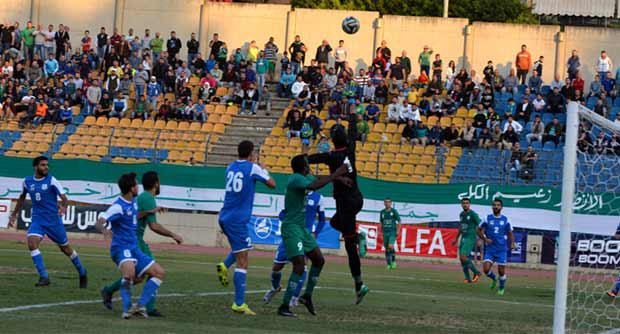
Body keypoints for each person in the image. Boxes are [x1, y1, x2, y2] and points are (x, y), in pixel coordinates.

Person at [305, 111, 369, 304]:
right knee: (334, 222)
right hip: (357, 199)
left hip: (346, 203)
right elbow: (352, 133)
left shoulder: (331, 156)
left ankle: (359, 285)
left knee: (350, 247)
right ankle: (358, 237)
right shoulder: (350, 150)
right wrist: (351, 118)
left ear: (332, 141)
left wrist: (302, 159)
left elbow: (311, 159)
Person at [100, 172, 183, 317]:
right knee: (135, 275)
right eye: (135, 184)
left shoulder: (136, 199)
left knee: (141, 276)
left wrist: (150, 211)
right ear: (156, 183)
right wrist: (173, 235)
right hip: (131, 243)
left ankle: (124, 298)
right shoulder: (145, 198)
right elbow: (154, 226)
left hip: (134, 242)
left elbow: (133, 214)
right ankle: (145, 307)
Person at [276, 156, 349, 317]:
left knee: (319, 260)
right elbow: (315, 184)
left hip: (302, 228)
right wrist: (337, 172)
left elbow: (318, 179)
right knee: (299, 264)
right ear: (303, 167)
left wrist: (339, 178)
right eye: (308, 165)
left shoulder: (303, 177)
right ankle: (284, 305)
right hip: (292, 228)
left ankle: (306, 296)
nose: (310, 167)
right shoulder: (295, 178)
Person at [216, 141, 276, 316]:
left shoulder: (230, 167)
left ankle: (224, 265)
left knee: (242, 249)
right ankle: (239, 303)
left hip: (225, 216)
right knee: (243, 260)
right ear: (251, 154)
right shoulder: (253, 168)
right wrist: (262, 168)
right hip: (237, 220)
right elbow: (272, 184)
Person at [8, 156, 87, 288]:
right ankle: (44, 277)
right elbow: (22, 197)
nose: (46, 167)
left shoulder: (51, 180)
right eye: (43, 165)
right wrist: (14, 215)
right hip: (38, 220)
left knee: (66, 249)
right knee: (32, 243)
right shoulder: (27, 181)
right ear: (36, 167)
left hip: (53, 222)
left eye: (47, 165)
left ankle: (82, 271)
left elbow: (64, 198)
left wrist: (63, 207)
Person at [263, 191, 327, 306]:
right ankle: (274, 288)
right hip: (290, 234)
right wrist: (288, 221)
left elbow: (322, 220)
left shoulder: (319, 197)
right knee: (276, 267)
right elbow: (282, 213)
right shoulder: (294, 192)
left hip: (305, 236)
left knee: (302, 266)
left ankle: (294, 297)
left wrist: (315, 233)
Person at [477, 199, 515, 296]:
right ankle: (494, 279)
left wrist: (512, 243)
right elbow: (478, 230)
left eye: (498, 205)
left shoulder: (506, 219)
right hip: (490, 249)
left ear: (501, 207)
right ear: (492, 206)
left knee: (501, 271)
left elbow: (510, 233)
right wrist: (485, 239)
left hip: (501, 249)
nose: (496, 207)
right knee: (486, 269)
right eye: (494, 205)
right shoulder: (486, 218)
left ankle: (501, 287)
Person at [453, 198, 482, 283]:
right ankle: (467, 278)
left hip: (470, 238)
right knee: (462, 260)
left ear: (470, 204)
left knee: (463, 257)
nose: (465, 204)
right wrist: (456, 238)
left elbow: (480, 225)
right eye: (464, 203)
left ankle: (477, 272)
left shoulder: (473, 214)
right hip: (463, 237)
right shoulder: (461, 214)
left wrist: (480, 238)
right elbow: (461, 227)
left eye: (467, 203)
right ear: (461, 205)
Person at [380, 198, 400, 270]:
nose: (387, 203)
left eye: (388, 202)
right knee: (387, 249)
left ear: (391, 203)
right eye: (385, 202)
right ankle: (388, 264)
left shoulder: (394, 211)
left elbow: (399, 221)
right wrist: (380, 230)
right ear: (384, 203)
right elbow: (381, 222)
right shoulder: (382, 212)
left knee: (390, 246)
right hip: (385, 232)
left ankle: (394, 261)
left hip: (392, 232)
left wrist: (398, 230)